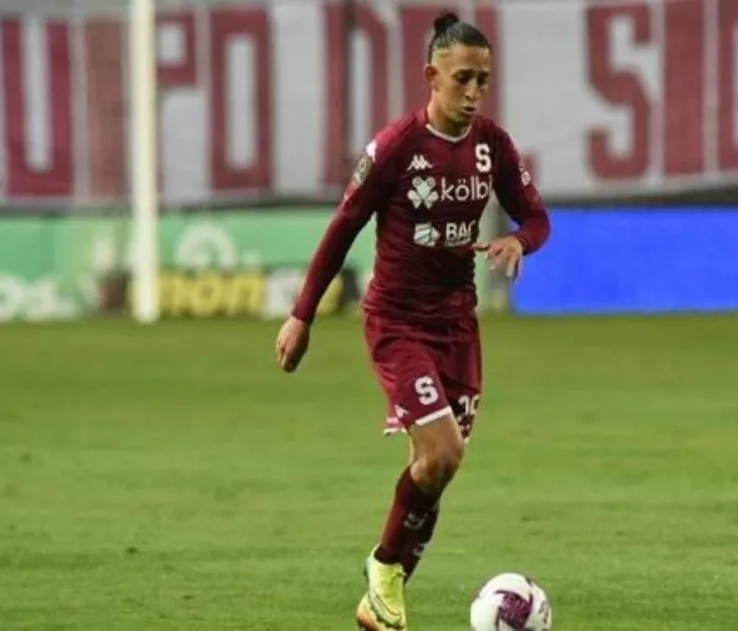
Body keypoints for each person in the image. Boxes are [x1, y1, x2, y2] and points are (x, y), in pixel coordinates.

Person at [274, 10, 550, 631]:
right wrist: (302, 315)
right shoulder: (396, 147)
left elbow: (536, 217)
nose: (474, 92)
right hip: (398, 324)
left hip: (459, 328)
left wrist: (520, 242)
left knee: (439, 467)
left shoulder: (492, 147)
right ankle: (383, 570)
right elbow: (342, 227)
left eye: (483, 79)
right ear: (431, 76)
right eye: (462, 79)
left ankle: (384, 592)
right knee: (442, 449)